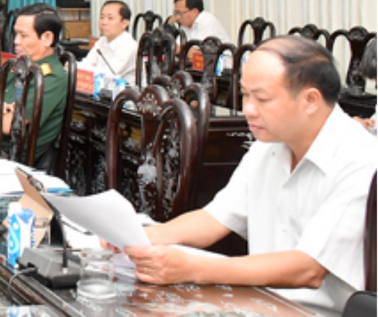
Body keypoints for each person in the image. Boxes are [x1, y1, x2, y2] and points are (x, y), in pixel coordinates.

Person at [123, 36, 374, 315]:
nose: (248, 110)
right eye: (245, 94)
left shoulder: (360, 159)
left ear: (310, 100)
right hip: (257, 302)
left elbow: (308, 269)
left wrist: (194, 268)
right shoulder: (268, 145)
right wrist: (138, 238)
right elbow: (214, 219)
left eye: (262, 98)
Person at [0, 4, 68, 169]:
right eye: (16, 34)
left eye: (23, 35)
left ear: (47, 38)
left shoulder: (50, 76)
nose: (15, 41)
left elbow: (8, 126)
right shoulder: (20, 66)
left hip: (3, 161)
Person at [77, 0, 137, 83]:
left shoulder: (128, 45)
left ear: (124, 23)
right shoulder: (102, 41)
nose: (104, 22)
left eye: (110, 18)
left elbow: (109, 74)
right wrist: (73, 66)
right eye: (102, 17)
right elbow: (87, 63)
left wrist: (80, 69)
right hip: (103, 87)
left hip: (125, 90)